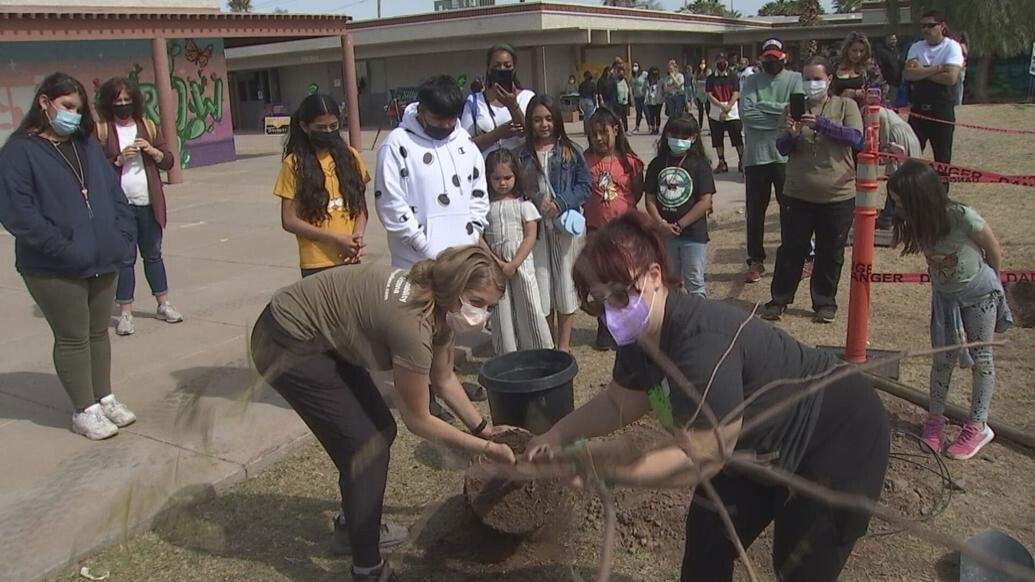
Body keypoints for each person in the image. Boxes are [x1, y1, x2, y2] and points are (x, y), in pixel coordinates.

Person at [526, 211, 890, 582]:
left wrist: (603, 470)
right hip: (750, 448)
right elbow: (618, 402)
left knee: (797, 568)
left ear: (653, 276)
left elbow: (701, 459)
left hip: (837, 437)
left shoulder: (702, 344)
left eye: (619, 296)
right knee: (706, 547)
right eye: (596, 303)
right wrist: (556, 434)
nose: (608, 314)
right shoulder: (639, 336)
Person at [250, 245, 518, 582]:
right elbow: (419, 420)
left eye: (490, 307)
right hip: (285, 339)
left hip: (321, 338)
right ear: (453, 289)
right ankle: (367, 570)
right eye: (476, 302)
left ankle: (355, 524)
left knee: (379, 432)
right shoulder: (412, 323)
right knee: (367, 444)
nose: (481, 313)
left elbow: (445, 378)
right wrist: (486, 450)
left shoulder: (441, 308)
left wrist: (484, 430)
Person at [0, 72, 137, 440]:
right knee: (73, 336)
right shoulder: (19, 152)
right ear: (44, 103)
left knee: (97, 334)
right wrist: (65, 248)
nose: (74, 115)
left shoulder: (87, 145)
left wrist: (122, 238)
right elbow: (18, 213)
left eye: (78, 108)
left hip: (102, 258)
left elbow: (114, 194)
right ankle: (84, 408)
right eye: (67, 107)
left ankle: (104, 396)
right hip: (53, 266)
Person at [375, 75, 489, 420]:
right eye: (440, 119)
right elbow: (392, 205)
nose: (446, 125)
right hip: (417, 259)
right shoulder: (396, 145)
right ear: (422, 110)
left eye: (452, 119)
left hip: (457, 259)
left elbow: (478, 195)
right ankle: (423, 395)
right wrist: (425, 245)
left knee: (448, 326)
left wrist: (470, 241)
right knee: (419, 330)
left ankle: (445, 381)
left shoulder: (465, 144)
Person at [888, 160, 1012, 460]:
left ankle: (978, 425)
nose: (896, 207)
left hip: (980, 296)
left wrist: (997, 284)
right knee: (942, 360)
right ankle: (935, 419)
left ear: (919, 197)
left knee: (981, 359)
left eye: (900, 201)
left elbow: (993, 248)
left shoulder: (961, 216)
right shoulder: (917, 222)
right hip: (945, 301)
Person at [763, 57, 863, 324]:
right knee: (791, 249)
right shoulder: (792, 109)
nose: (811, 84)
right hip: (797, 193)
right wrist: (792, 134)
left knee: (831, 251)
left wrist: (822, 124)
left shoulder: (846, 105)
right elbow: (782, 148)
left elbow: (856, 138)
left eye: (817, 78)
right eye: (806, 78)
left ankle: (824, 302)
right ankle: (780, 299)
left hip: (837, 194)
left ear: (829, 79)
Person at [93, 77, 181, 336]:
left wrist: (153, 152)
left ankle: (163, 303)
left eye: (127, 100)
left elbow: (168, 161)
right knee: (125, 259)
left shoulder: (148, 126)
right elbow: (95, 169)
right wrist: (118, 160)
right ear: (109, 104)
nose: (123, 105)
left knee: (153, 255)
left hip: (148, 202)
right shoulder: (102, 130)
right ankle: (126, 313)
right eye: (118, 101)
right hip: (120, 207)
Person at [515, 94, 592, 353]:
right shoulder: (521, 155)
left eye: (548, 118)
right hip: (535, 232)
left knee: (565, 285)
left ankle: (564, 346)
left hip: (564, 230)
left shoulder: (571, 150)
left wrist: (560, 202)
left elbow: (585, 186)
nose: (544, 124)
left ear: (556, 120)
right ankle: (547, 343)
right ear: (529, 122)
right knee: (542, 285)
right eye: (537, 119)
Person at [274, 94, 371, 278]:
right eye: (321, 128)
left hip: (350, 258)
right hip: (316, 262)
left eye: (333, 127)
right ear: (304, 127)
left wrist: (356, 238)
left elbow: (361, 208)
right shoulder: (293, 164)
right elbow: (289, 220)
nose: (328, 132)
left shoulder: (351, 156)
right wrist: (335, 239)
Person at [739, 37, 804, 283]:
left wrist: (764, 106)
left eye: (776, 59)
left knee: (791, 210)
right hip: (756, 157)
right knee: (755, 212)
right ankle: (756, 260)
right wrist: (781, 117)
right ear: (761, 59)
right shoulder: (751, 80)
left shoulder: (795, 78)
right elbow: (748, 115)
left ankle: (796, 256)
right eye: (767, 59)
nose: (772, 63)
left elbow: (797, 113)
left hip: (785, 156)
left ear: (783, 57)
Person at [483, 148, 553, 354]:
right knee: (500, 309)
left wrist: (513, 264)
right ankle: (507, 353)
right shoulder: (484, 207)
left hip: (521, 263)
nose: (502, 183)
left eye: (507, 177)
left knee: (529, 304)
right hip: (495, 264)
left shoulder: (524, 205)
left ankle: (539, 351)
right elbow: (479, 237)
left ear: (516, 176)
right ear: (489, 178)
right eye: (497, 178)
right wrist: (496, 261)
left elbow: (530, 236)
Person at [585, 106, 644, 349]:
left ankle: (629, 325)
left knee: (625, 279)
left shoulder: (629, 162)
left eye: (604, 132)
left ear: (616, 130)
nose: (599, 138)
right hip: (596, 232)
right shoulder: (584, 160)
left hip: (624, 233)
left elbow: (637, 192)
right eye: (593, 134)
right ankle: (605, 327)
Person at [644, 114, 716, 297]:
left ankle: (698, 323)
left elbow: (705, 201)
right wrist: (660, 223)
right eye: (674, 135)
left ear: (693, 138)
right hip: (665, 235)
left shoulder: (700, 165)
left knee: (695, 283)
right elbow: (650, 198)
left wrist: (680, 224)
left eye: (685, 137)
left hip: (693, 234)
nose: (679, 140)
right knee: (669, 283)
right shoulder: (657, 164)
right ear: (666, 135)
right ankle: (673, 323)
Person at [904, 10, 964, 187]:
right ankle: (901, 205)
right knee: (909, 159)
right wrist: (938, 68)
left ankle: (941, 206)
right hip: (918, 110)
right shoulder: (916, 47)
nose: (926, 29)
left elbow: (951, 78)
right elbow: (908, 74)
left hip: (942, 109)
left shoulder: (952, 46)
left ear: (941, 26)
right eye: (923, 26)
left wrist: (922, 70)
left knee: (942, 162)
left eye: (930, 25)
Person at [461, 44, 535, 154]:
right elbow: (464, 146)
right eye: (496, 66)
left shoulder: (527, 98)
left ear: (514, 69)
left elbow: (532, 136)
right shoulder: (474, 101)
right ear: (489, 69)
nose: (502, 69)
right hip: (487, 169)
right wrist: (497, 134)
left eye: (507, 65)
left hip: (520, 168)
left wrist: (512, 105)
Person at [875, 106, 922, 230]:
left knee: (898, 179)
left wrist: (884, 146)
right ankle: (890, 215)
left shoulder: (873, 110)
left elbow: (883, 122)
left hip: (897, 136)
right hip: (900, 134)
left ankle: (889, 216)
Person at [706, 55, 745, 174]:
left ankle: (742, 161)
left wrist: (728, 106)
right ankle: (722, 162)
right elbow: (709, 95)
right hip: (715, 113)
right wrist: (721, 106)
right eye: (719, 61)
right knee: (717, 140)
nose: (721, 63)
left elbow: (736, 93)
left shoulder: (733, 76)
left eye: (723, 61)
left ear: (727, 63)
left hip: (732, 113)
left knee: (737, 139)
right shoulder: (711, 78)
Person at [832, 32, 889, 105]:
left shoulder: (871, 68)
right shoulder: (835, 65)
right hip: (837, 108)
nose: (858, 55)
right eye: (854, 50)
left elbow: (881, 89)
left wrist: (856, 93)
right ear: (847, 49)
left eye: (861, 51)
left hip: (863, 109)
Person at [876, 32, 904, 104]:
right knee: (884, 103)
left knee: (892, 103)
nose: (893, 41)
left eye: (894, 39)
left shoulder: (898, 51)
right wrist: (882, 81)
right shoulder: (881, 51)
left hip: (896, 83)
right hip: (885, 83)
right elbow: (878, 66)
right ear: (886, 40)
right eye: (891, 39)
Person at [644, 66, 664, 135]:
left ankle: (657, 129)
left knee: (657, 115)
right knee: (651, 115)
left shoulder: (660, 80)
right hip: (650, 100)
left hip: (658, 100)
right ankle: (653, 128)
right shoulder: (647, 81)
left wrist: (663, 98)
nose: (654, 74)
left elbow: (663, 90)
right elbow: (645, 90)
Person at [630, 61, 649, 133]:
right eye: (634, 65)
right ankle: (637, 127)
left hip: (643, 96)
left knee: (646, 112)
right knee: (638, 113)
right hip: (636, 97)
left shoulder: (644, 74)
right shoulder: (633, 76)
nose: (635, 67)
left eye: (636, 65)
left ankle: (650, 126)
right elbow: (631, 85)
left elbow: (649, 79)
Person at [614, 65, 631, 132]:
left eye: (622, 73)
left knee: (624, 117)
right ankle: (619, 130)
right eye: (620, 73)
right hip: (618, 102)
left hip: (625, 102)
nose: (621, 74)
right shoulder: (615, 81)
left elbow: (628, 89)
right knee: (618, 117)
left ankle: (625, 130)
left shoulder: (625, 80)